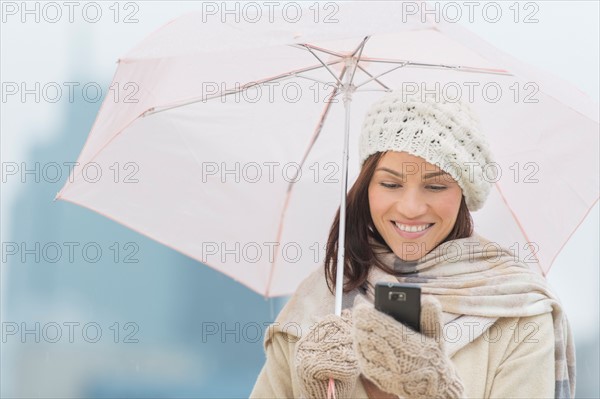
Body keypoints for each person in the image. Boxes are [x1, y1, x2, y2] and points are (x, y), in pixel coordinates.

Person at [250, 90, 576, 398]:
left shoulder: (516, 312)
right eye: (391, 183)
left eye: (435, 187)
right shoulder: (320, 300)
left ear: (463, 194)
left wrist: (433, 391)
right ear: (366, 187)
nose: (410, 208)